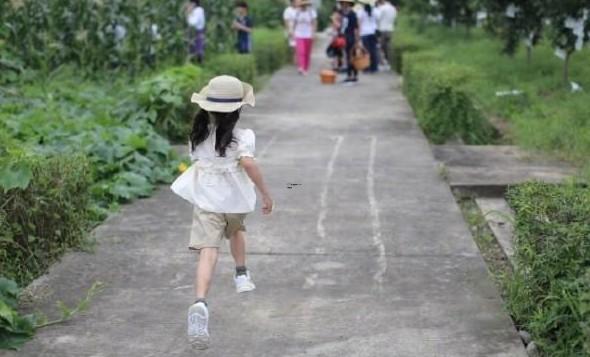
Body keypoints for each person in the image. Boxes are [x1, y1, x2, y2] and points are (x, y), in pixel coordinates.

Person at [171, 75, 273, 349]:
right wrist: (265, 192)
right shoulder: (242, 137)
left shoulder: (198, 136)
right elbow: (249, 166)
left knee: (208, 250)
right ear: (238, 110)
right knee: (237, 231)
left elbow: (198, 162)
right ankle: (241, 273)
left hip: (207, 201)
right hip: (234, 200)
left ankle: (200, 301)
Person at [292, 0, 317, 75]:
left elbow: (314, 23)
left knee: (307, 52)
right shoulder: (297, 13)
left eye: (304, 5)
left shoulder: (311, 12)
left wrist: (313, 33)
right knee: (301, 51)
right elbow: (294, 23)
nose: (303, 6)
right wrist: (293, 32)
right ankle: (301, 67)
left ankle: (306, 68)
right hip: (299, 34)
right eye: (302, 5)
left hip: (308, 35)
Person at [338, 0, 360, 83]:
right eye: (342, 3)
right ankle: (350, 75)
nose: (343, 4)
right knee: (347, 56)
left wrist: (357, 40)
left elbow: (356, 28)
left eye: (345, 3)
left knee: (351, 57)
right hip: (344, 37)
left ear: (348, 4)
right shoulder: (343, 14)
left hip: (351, 37)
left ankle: (352, 75)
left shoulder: (352, 14)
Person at [357, 0, 379, 73]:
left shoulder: (361, 12)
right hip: (373, 33)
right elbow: (377, 21)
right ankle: (374, 67)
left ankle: (366, 67)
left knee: (366, 51)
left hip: (364, 33)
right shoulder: (375, 11)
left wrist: (358, 35)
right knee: (373, 50)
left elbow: (359, 24)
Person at [376, 0, 397, 68]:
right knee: (389, 46)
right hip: (390, 29)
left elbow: (378, 18)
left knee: (381, 47)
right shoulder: (393, 8)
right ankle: (390, 62)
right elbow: (394, 18)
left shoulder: (382, 8)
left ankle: (384, 62)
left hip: (382, 29)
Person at [326, 6, 344, 71]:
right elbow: (332, 27)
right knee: (336, 52)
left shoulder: (337, 18)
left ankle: (337, 65)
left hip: (337, 37)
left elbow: (336, 27)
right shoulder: (336, 17)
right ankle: (336, 65)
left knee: (337, 52)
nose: (336, 14)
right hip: (336, 37)